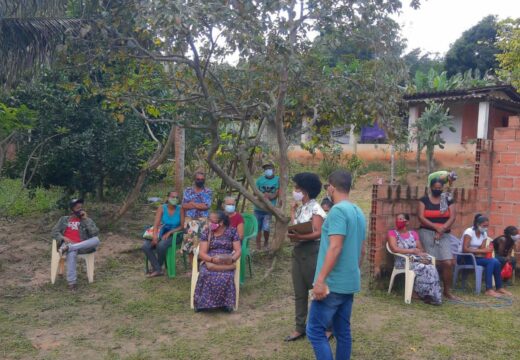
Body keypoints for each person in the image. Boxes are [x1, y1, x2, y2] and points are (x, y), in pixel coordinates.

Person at [306, 170, 366, 360]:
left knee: (315, 331)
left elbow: (335, 247)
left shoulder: (338, 211)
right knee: (342, 331)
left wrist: (321, 280)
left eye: (327, 186)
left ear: (331, 187)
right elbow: (361, 250)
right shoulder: (358, 211)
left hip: (332, 283)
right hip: (349, 282)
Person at [285, 173, 327, 342]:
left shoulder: (316, 208)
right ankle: (299, 327)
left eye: (297, 188)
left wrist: (299, 237)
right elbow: (297, 227)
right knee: (299, 291)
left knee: (317, 290)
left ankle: (328, 327)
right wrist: (292, 212)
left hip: (312, 252)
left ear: (305, 191)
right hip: (298, 251)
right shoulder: (302, 207)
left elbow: (318, 232)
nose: (294, 191)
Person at [387, 213, 442, 305]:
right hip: (403, 261)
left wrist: (421, 254)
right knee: (423, 267)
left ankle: (431, 295)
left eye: (401, 219)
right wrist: (412, 250)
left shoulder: (413, 234)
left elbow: (420, 249)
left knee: (431, 267)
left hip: (415, 259)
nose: (398, 221)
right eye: (397, 219)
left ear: (407, 222)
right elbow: (394, 249)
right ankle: (419, 293)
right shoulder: (392, 233)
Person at [418, 178, 459, 301]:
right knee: (432, 262)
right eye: (435, 187)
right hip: (427, 232)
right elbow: (420, 216)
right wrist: (436, 227)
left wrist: (442, 229)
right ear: (430, 187)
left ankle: (447, 291)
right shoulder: (424, 200)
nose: (437, 189)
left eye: (439, 188)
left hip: (444, 234)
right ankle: (432, 290)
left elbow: (453, 216)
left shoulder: (447, 199)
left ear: (442, 188)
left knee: (448, 262)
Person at [193, 211, 241, 312]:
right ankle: (203, 304)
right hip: (211, 258)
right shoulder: (207, 232)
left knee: (226, 276)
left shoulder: (232, 231)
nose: (209, 223)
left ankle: (226, 304)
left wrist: (231, 259)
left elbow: (238, 250)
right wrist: (211, 259)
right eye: (209, 220)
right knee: (205, 273)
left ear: (221, 222)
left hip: (226, 258)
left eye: (211, 221)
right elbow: (202, 252)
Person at [51, 199, 100, 291]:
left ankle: (69, 248)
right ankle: (72, 283)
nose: (80, 210)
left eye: (81, 208)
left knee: (96, 240)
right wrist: (63, 238)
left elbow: (95, 233)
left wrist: (86, 220)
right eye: (78, 208)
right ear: (72, 209)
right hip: (66, 244)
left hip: (81, 246)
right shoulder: (64, 219)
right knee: (72, 252)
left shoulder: (86, 220)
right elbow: (54, 232)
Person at [458, 214, 512, 297]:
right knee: (491, 262)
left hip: (476, 257)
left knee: (496, 261)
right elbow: (464, 249)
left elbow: (482, 250)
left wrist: (486, 250)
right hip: (465, 257)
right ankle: (488, 289)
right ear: (477, 224)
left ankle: (499, 287)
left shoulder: (484, 234)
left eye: (487, 226)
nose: (486, 227)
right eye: (484, 225)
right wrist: (483, 250)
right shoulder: (469, 232)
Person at [142, 191, 185, 277]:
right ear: (168, 198)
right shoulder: (162, 208)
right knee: (146, 246)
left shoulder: (180, 209)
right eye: (173, 197)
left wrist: (170, 232)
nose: (175, 199)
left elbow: (182, 226)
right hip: (162, 232)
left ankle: (157, 269)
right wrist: (154, 236)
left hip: (176, 234)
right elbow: (156, 224)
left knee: (161, 245)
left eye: (176, 198)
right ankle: (158, 269)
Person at [182, 171, 213, 262]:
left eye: (202, 179)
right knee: (190, 246)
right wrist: (199, 205)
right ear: (194, 180)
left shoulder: (208, 191)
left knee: (203, 244)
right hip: (190, 220)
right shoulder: (188, 190)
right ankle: (193, 269)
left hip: (203, 221)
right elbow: (184, 205)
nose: (200, 181)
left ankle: (202, 267)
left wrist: (192, 204)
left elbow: (206, 206)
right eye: (198, 179)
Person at [254, 162, 280, 250]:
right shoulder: (259, 180)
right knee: (258, 227)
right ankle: (258, 244)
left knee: (266, 227)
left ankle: (265, 242)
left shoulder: (278, 180)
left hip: (269, 209)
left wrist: (270, 196)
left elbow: (278, 192)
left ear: (273, 170)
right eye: (265, 169)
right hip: (258, 208)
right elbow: (255, 192)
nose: (267, 170)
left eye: (269, 169)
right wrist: (261, 196)